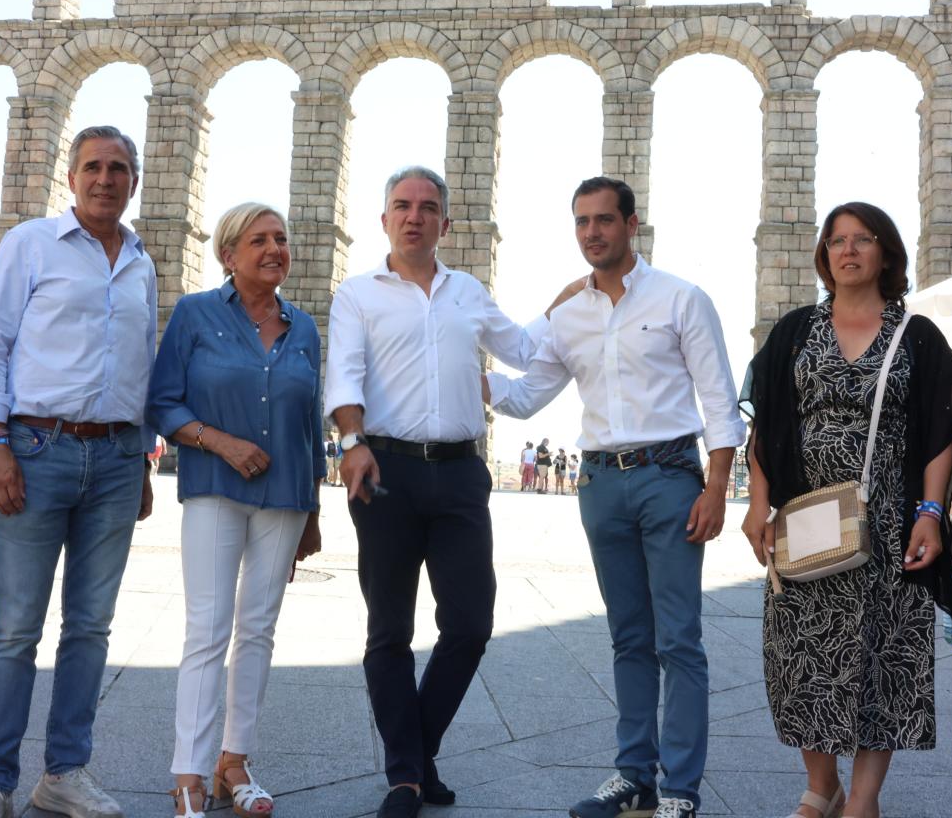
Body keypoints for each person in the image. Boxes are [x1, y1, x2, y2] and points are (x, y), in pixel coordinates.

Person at [488, 177, 745, 818]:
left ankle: (681, 788)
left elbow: (718, 398)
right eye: (582, 222)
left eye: (604, 220)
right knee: (628, 637)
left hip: (670, 476)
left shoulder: (682, 298)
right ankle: (635, 775)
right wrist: (454, 365)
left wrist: (716, 486)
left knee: (679, 639)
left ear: (633, 225)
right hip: (600, 482)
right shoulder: (567, 316)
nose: (592, 232)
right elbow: (525, 396)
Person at [740, 201, 952, 818]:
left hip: (890, 525)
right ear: (825, 255)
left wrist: (931, 512)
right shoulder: (793, 331)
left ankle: (862, 799)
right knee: (801, 656)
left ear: (885, 253)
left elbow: (941, 432)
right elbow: (765, 425)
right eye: (837, 240)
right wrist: (758, 503)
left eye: (862, 239)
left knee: (885, 656)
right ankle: (821, 787)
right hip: (804, 521)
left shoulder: (916, 335)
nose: (848, 250)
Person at [324, 165, 539, 818]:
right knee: (389, 629)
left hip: (459, 474)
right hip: (385, 471)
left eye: (426, 207)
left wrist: (584, 301)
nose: (413, 216)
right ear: (384, 218)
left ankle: (415, 754)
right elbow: (344, 376)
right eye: (401, 205)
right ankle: (407, 777)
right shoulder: (357, 294)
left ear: (444, 223)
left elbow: (529, 348)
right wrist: (351, 442)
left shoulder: (469, 292)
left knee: (471, 623)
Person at [0, 125, 158, 818]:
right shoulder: (30, 244)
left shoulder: (141, 261)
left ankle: (65, 772)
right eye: (93, 167)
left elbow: (141, 360)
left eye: (119, 168)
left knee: (91, 626)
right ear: (71, 177)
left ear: (134, 180)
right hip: (34, 450)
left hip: (116, 456)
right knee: (15, 625)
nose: (106, 179)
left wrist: (141, 460)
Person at [147, 203, 326, 818]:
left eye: (281, 239)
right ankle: (189, 774)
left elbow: (310, 421)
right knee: (208, 628)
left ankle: (235, 761)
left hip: (287, 499)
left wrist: (315, 511)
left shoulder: (304, 329)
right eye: (259, 240)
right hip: (215, 490)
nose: (274, 249)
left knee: (258, 630)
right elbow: (162, 402)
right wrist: (219, 441)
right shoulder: (196, 314)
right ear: (229, 254)